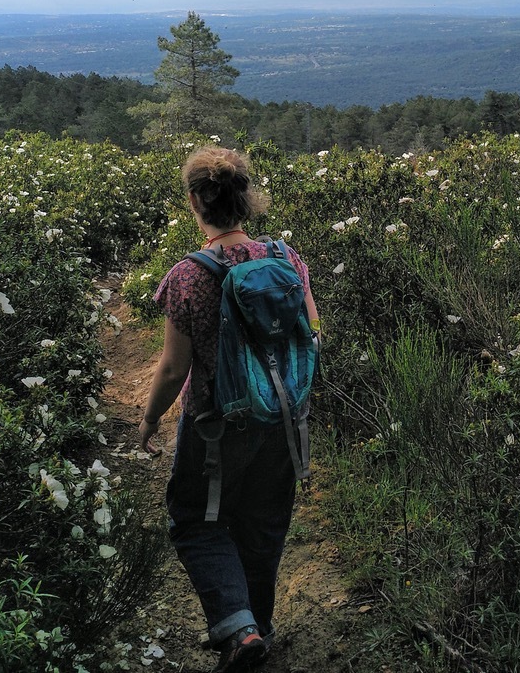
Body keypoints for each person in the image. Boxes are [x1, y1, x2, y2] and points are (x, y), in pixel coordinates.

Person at [139, 146, 318, 673]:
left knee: (196, 521)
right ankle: (255, 625)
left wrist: (149, 420)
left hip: (214, 424)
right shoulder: (287, 260)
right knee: (262, 523)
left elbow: (174, 368)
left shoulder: (187, 276)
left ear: (195, 201)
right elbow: (308, 330)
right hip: (281, 417)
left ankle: (239, 631)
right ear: (245, 199)